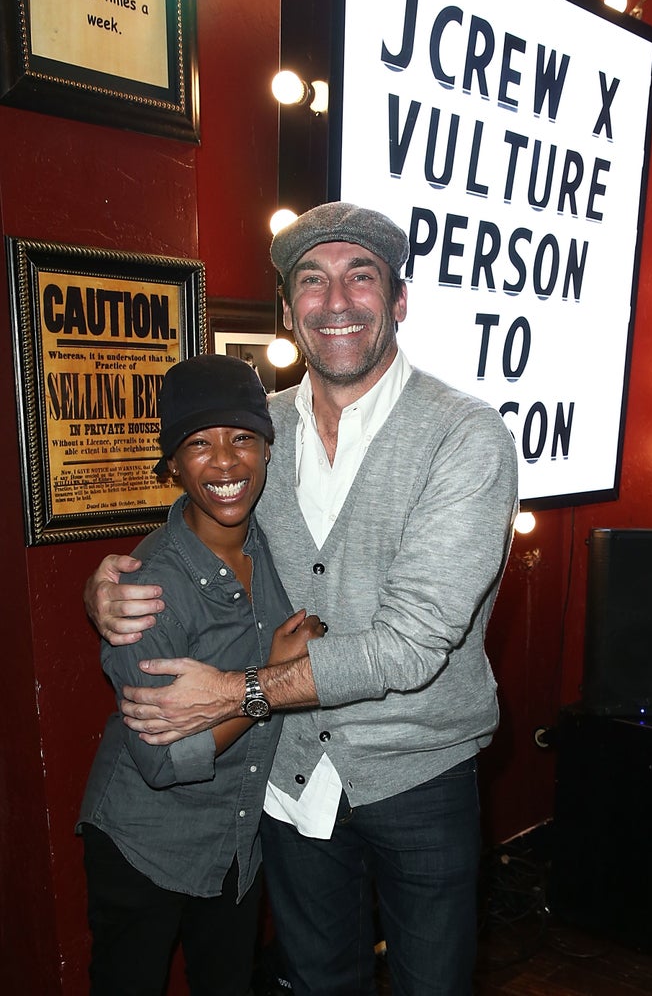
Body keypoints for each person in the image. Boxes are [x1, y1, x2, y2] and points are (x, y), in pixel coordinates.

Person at [84, 202, 519, 996]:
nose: (337, 300)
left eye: (362, 276)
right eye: (312, 281)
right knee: (316, 983)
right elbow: (193, 523)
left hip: (417, 775)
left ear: (398, 299)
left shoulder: (465, 434)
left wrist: (236, 690)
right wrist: (105, 586)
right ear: (288, 310)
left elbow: (412, 644)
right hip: (288, 782)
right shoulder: (260, 429)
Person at [77, 354, 324, 996]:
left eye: (242, 438)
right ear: (173, 466)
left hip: (236, 844)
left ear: (268, 450)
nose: (224, 462)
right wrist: (267, 681)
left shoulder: (271, 542)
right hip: (145, 847)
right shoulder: (147, 590)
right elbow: (167, 760)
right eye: (199, 443)